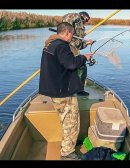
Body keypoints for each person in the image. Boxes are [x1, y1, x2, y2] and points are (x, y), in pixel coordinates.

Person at [39, 22, 93, 160]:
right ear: (67, 33)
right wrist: (84, 58)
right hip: (63, 91)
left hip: (54, 90)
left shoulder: (50, 44)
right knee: (71, 122)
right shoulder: (62, 46)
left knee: (65, 120)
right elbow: (71, 64)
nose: (72, 37)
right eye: (72, 34)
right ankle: (67, 153)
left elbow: (63, 63)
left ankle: (67, 144)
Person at [62, 11, 94, 96]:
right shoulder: (75, 16)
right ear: (83, 16)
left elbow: (78, 45)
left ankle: (74, 88)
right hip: (68, 48)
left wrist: (87, 43)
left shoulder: (79, 27)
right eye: (87, 19)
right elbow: (66, 21)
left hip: (72, 48)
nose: (86, 22)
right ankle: (79, 90)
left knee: (76, 67)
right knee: (81, 66)